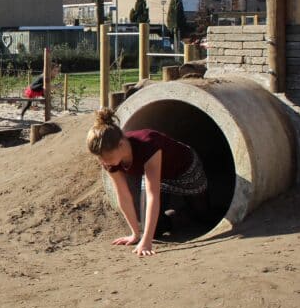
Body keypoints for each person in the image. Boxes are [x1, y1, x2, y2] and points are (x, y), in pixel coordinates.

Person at [86, 108, 209, 257]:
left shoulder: (148, 144)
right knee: (153, 230)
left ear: (121, 144)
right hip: (157, 177)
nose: (103, 162)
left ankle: (191, 211)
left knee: (203, 216)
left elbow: (152, 196)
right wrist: (136, 234)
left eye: (107, 157)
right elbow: (123, 195)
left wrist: (146, 242)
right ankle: (178, 215)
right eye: (99, 158)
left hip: (185, 170)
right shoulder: (108, 161)